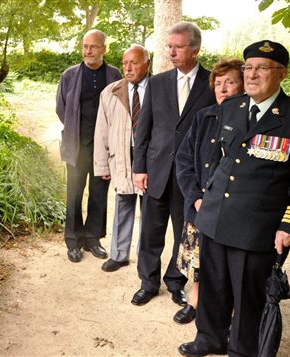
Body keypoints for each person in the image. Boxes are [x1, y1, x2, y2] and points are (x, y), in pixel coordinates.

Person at [179, 40, 290, 357]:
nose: (251, 74)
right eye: (248, 67)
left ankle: (241, 350)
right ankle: (209, 338)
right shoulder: (232, 107)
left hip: (257, 228)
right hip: (214, 217)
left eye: (261, 68)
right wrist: (202, 200)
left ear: (282, 74)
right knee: (212, 286)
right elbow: (217, 161)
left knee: (247, 296)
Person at [131, 22, 216, 306]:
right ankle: (148, 282)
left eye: (178, 47)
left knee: (184, 234)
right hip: (156, 171)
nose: (172, 52)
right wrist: (139, 168)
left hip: (189, 176)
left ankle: (176, 282)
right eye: (169, 47)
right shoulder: (156, 83)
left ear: (195, 49)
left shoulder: (211, 83)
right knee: (150, 233)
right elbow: (143, 129)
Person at [172, 58, 244, 325]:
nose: (222, 88)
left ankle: (233, 314)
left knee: (230, 268)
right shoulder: (204, 117)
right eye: (218, 83)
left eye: (230, 82)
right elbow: (184, 161)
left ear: (243, 86)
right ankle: (195, 303)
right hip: (200, 207)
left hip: (232, 211)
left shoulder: (250, 120)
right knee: (198, 261)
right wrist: (196, 198)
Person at [56, 29, 122, 263]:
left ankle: (93, 239)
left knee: (99, 194)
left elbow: (121, 110)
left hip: (103, 148)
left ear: (104, 48)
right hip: (76, 146)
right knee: (73, 194)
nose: (88, 51)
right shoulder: (69, 75)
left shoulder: (115, 75)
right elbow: (61, 109)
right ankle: (73, 242)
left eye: (93, 46)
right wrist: (76, 130)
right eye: (85, 46)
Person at [93, 44, 150, 272]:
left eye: (134, 62)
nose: (128, 68)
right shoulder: (110, 92)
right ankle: (119, 254)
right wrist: (101, 164)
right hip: (123, 156)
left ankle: (145, 258)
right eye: (125, 63)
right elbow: (102, 130)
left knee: (150, 210)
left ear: (147, 63)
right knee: (123, 204)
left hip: (149, 158)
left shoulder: (159, 88)